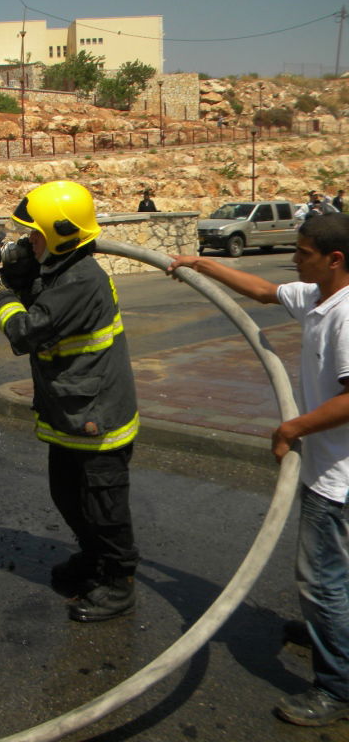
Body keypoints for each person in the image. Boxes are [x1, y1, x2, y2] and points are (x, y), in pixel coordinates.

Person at [168, 213, 349, 726]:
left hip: (340, 476)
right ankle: (327, 634)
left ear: (334, 259)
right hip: (327, 467)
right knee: (333, 575)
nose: (295, 258)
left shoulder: (346, 315)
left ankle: (336, 689)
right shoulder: (318, 296)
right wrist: (201, 264)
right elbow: (265, 291)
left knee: (322, 581)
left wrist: (290, 429)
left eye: (304, 252)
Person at [0, 180, 140, 622]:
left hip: (96, 417)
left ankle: (118, 582)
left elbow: (25, 332)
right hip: (69, 410)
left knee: (103, 507)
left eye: (35, 235)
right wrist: (18, 275)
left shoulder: (81, 280)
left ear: (61, 235)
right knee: (67, 495)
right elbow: (41, 297)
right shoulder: (59, 272)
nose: (28, 242)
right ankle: (93, 561)